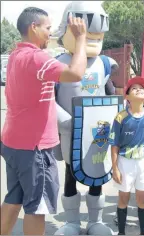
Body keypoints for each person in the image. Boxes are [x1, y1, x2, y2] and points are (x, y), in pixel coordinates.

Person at [0, 7, 87, 235]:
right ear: (34, 27)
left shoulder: (15, 56)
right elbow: (75, 74)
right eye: (47, 28)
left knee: (14, 198)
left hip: (13, 144)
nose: (50, 33)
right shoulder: (36, 58)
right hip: (35, 149)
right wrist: (81, 39)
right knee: (37, 207)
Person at [53, 2, 117, 235]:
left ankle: (95, 221)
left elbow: (111, 94)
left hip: (97, 131)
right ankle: (71, 222)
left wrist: (115, 118)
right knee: (71, 174)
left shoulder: (104, 64)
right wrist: (65, 123)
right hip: (71, 132)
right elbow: (49, 100)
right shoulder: (58, 64)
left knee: (97, 175)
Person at [109, 76, 144, 235]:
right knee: (123, 198)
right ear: (127, 96)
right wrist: (115, 168)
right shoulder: (121, 117)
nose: (139, 90)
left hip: (142, 163)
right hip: (125, 162)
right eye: (134, 88)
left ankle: (143, 232)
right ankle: (121, 232)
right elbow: (114, 144)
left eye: (142, 88)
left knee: (142, 199)